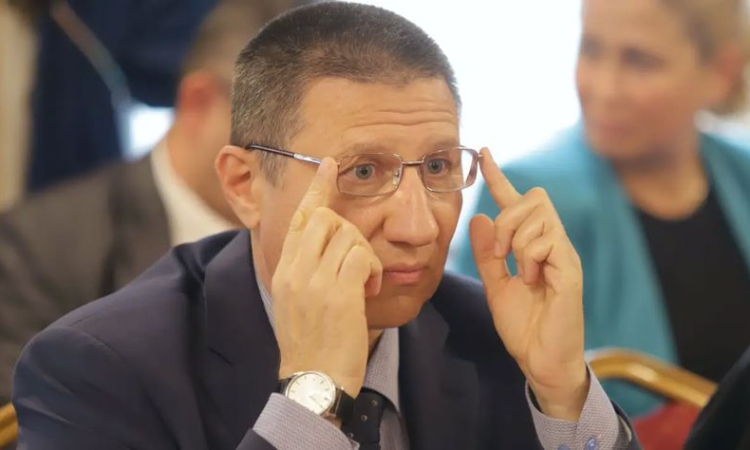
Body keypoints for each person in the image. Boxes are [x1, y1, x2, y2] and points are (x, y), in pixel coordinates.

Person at [11, 3, 639, 449]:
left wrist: (563, 391)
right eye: (364, 171)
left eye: (439, 167)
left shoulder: (489, 336)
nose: (419, 227)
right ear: (244, 185)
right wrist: (313, 402)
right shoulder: (97, 368)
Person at [453, 0, 750, 416]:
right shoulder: (528, 198)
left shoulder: (742, 171)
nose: (602, 88)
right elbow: (492, 396)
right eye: (591, 48)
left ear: (721, 72)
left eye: (640, 61)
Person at [0, 0, 302, 405]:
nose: (309, 165)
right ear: (199, 103)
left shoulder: (348, 233)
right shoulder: (34, 250)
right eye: (285, 134)